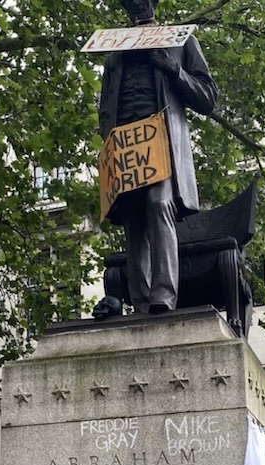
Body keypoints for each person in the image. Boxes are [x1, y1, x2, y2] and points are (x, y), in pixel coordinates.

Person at [97, 0, 218, 314]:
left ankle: (163, 296)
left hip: (161, 143)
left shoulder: (181, 41)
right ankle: (141, 302)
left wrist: (173, 69)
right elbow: (106, 106)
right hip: (125, 147)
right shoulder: (115, 52)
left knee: (158, 203)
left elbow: (207, 97)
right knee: (133, 219)